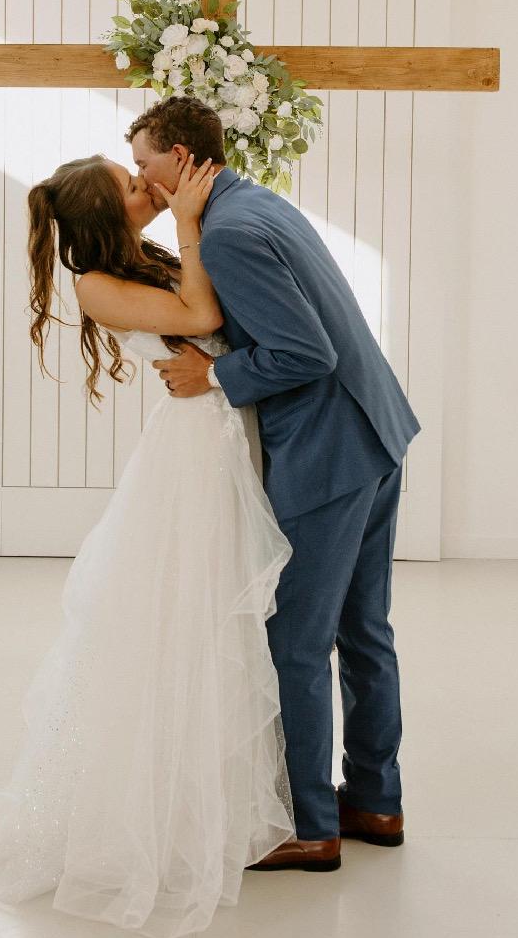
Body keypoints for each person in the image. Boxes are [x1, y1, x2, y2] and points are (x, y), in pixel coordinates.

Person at [0, 141, 298, 938]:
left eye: (137, 172)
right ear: (107, 212)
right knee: (185, 616)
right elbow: (202, 318)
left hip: (213, 427)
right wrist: (186, 222)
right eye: (128, 184)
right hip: (192, 451)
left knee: (211, 613)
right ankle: (165, 811)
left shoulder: (130, 255)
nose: (143, 182)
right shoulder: (98, 282)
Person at [127, 96, 421, 869]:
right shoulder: (255, 204)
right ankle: (376, 803)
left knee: (294, 641)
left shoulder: (227, 236)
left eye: (145, 165)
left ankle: (310, 825)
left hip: (328, 451)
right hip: (377, 429)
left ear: (184, 157)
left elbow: (305, 353)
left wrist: (213, 372)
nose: (141, 180)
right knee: (364, 632)